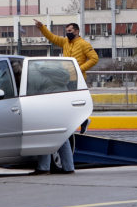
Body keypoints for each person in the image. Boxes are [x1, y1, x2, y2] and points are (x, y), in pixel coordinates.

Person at [30, 20, 99, 175]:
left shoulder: (83, 44)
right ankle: (82, 121)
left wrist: (78, 69)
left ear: (77, 31)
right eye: (66, 29)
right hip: (64, 79)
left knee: (73, 107)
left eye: (70, 29)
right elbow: (52, 38)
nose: (67, 31)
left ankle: (83, 120)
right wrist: (42, 27)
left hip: (75, 79)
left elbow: (94, 59)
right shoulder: (65, 42)